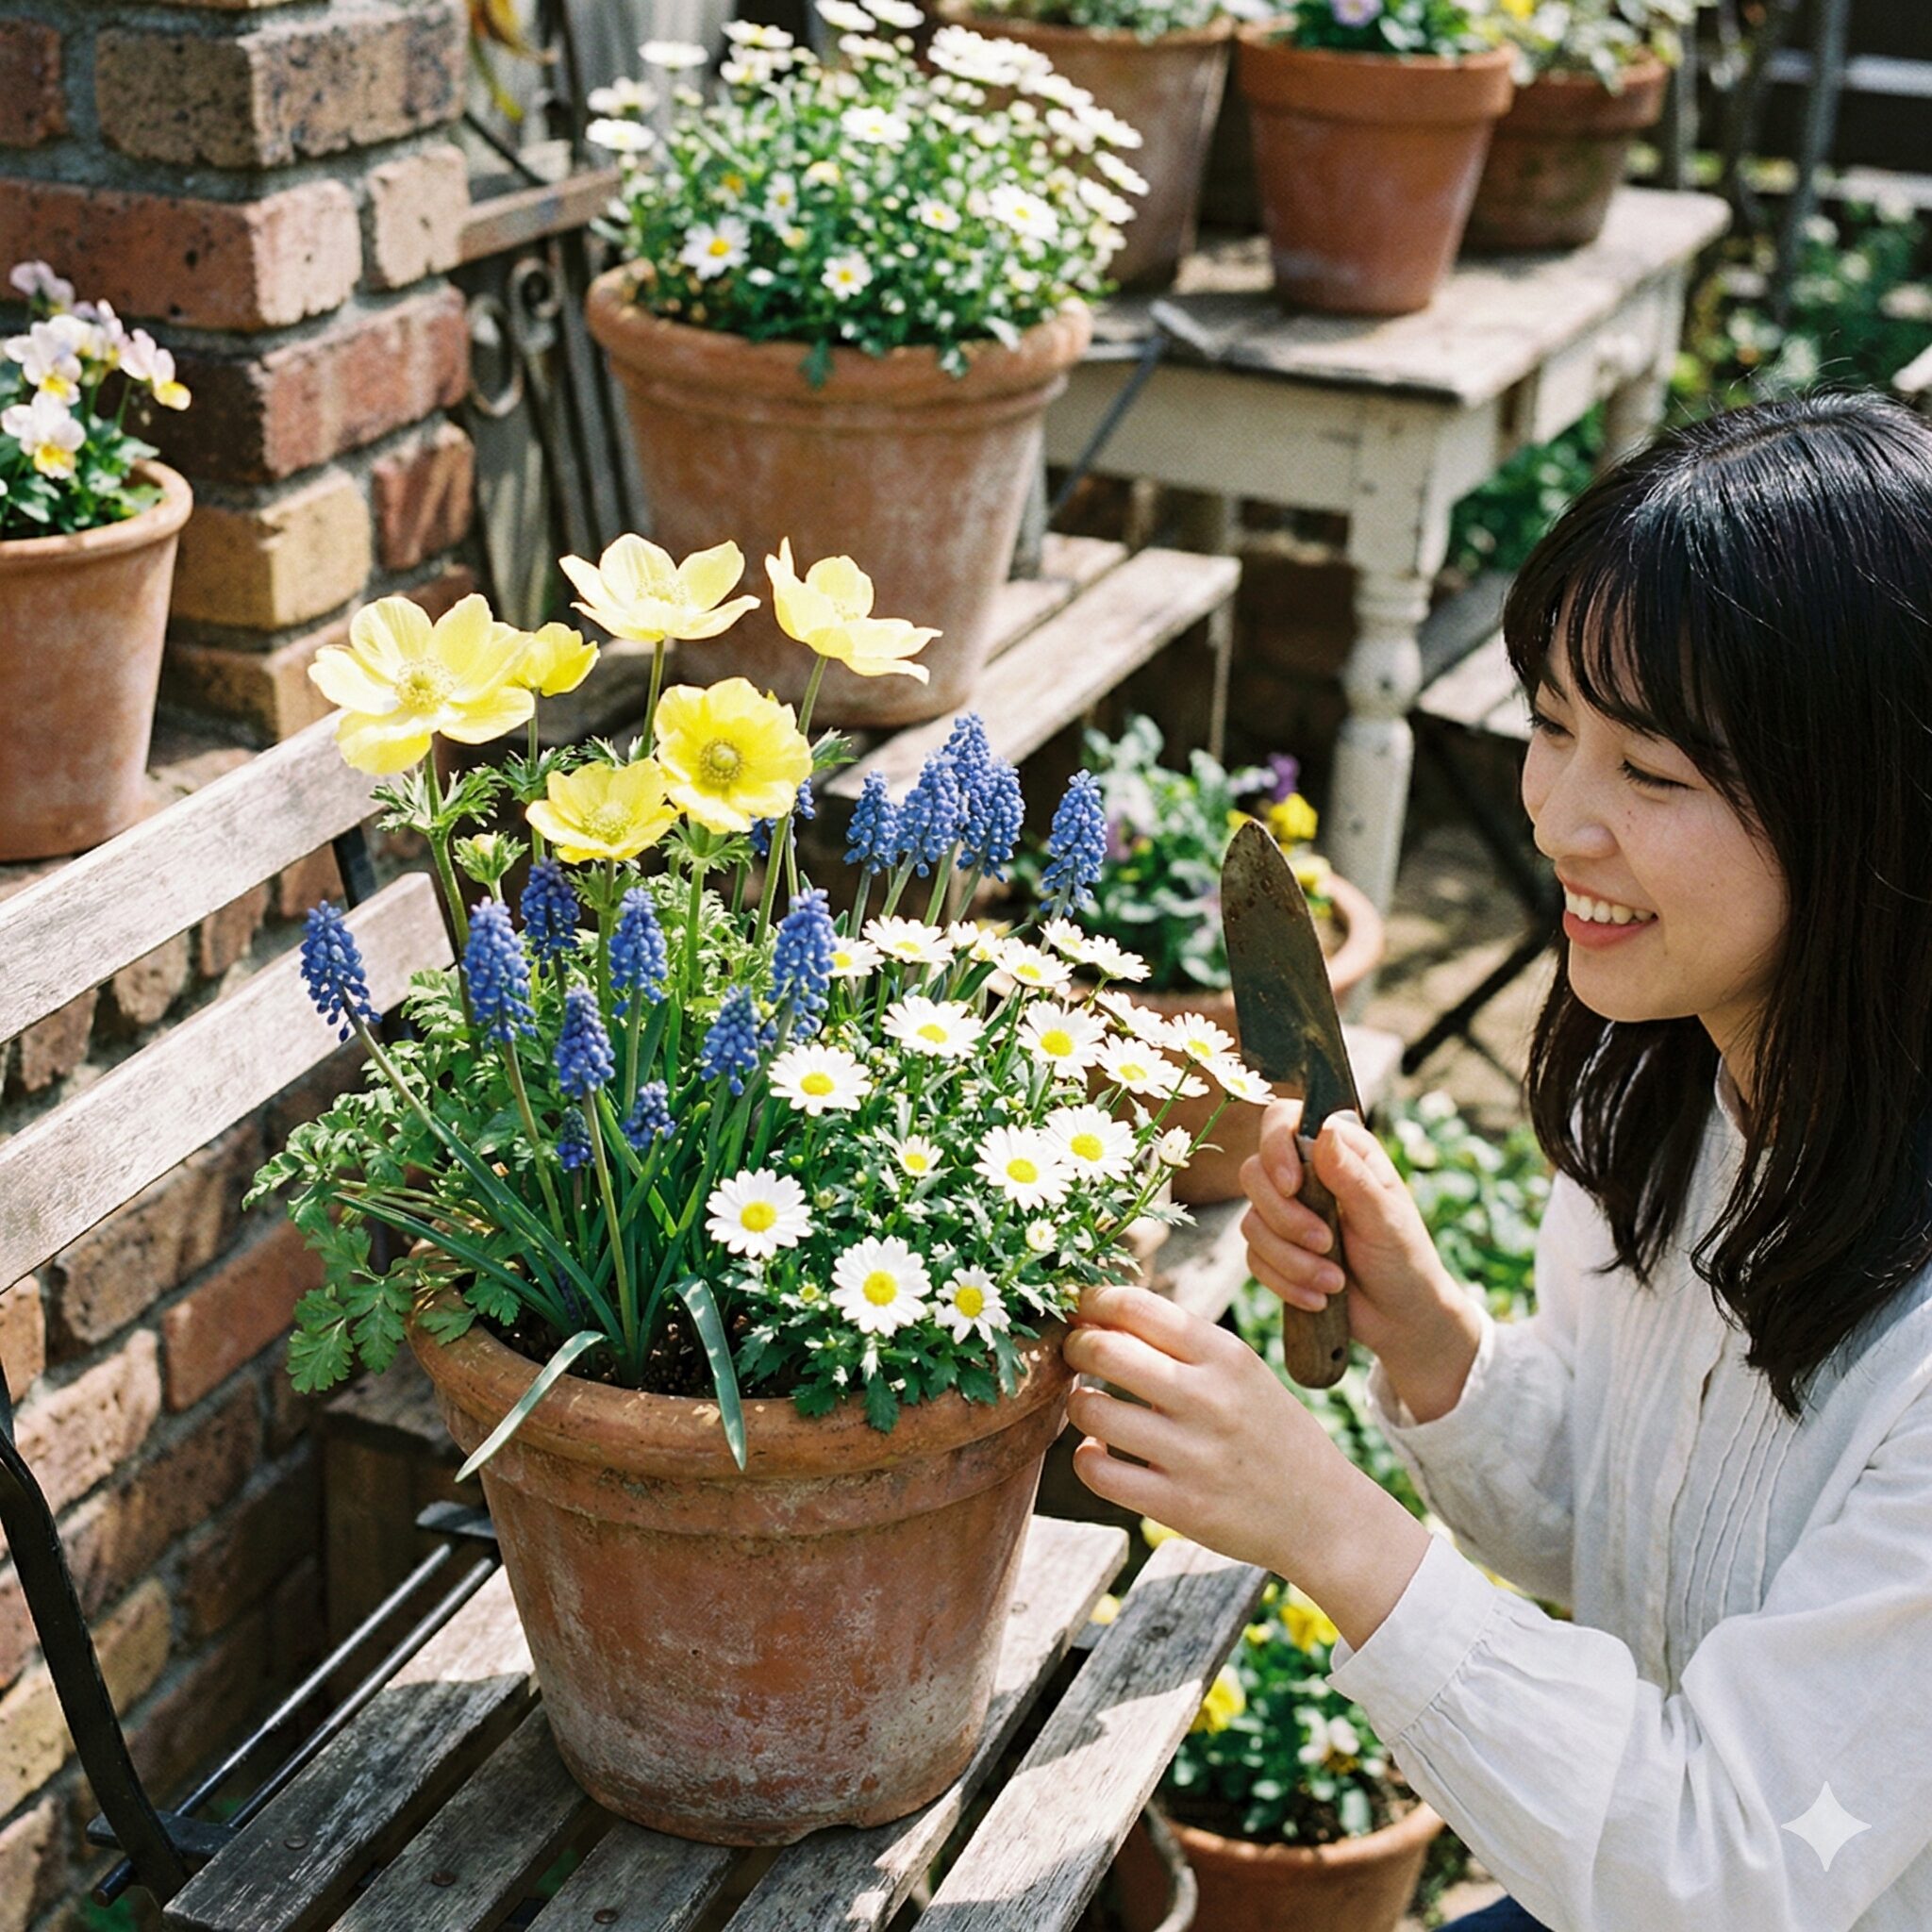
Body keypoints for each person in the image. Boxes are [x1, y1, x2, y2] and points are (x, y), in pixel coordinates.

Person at [1063, 391, 1932, 1931]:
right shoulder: (1679, 1095)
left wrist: (1327, 1522)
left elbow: (1729, 1867)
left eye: (1650, 772)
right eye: (1548, 724)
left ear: (1870, 805)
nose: (1559, 819)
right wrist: (1435, 1340)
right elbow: (1635, 1535)